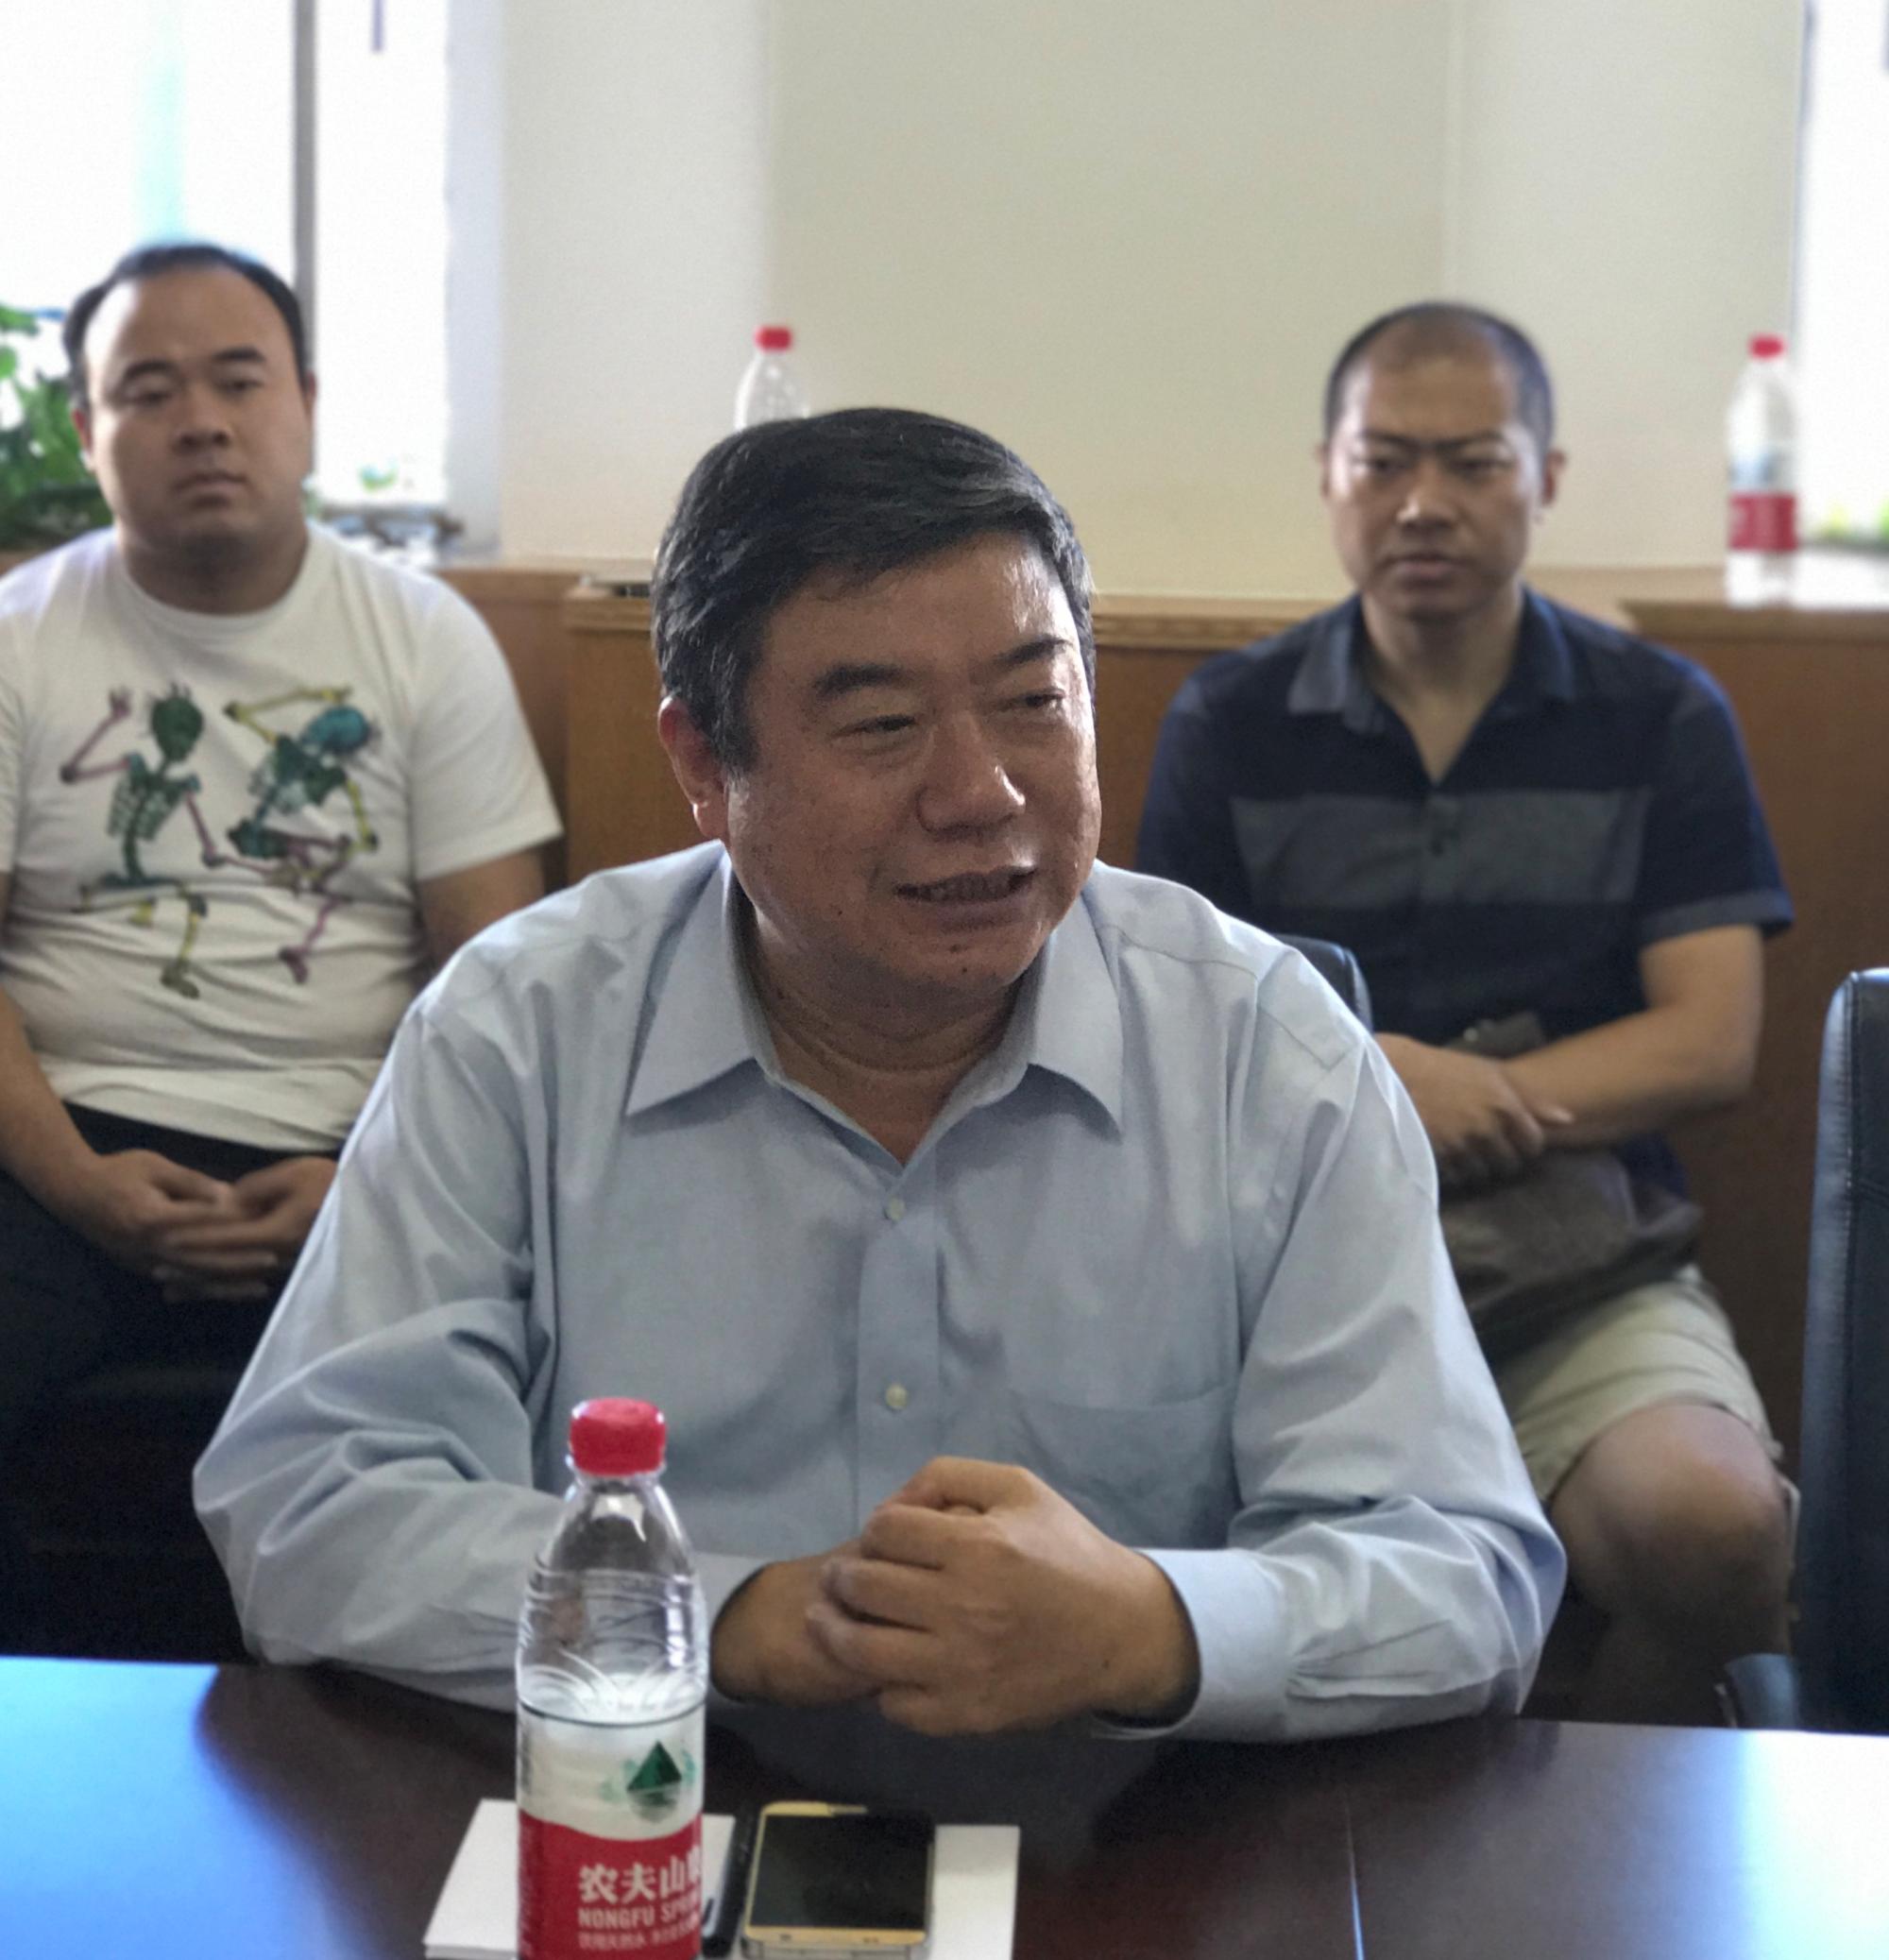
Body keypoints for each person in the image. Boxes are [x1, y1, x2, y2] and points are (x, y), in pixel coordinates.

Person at [197, 406, 1559, 1768]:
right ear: (703, 765)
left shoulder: (1266, 1051)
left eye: (1034, 702)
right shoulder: (519, 1032)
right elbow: (312, 1505)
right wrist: (730, 1617)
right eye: (884, 724)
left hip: (1144, 1834)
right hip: (645, 1808)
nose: (979, 794)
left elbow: (1461, 1568)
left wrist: (1149, 1628)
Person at [1137, 302, 1794, 1723]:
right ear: (1329, 475)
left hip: (1579, 1271)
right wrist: (1385, 1084)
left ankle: (1575, 1823)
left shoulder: (1660, 713)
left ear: (1544, 477)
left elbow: (1710, 1038)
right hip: (1288, 1273)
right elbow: (1171, 1023)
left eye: (1473, 462)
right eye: (1384, 462)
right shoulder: (1230, 720)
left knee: (1718, 1530)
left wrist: (1469, 1098)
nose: (1423, 502)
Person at [0, 243, 561, 1637]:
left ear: (305, 403)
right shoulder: (18, 641)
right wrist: (78, 1183)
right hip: (58, 1144)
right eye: (149, 390)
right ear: (88, 428)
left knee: (490, 1420)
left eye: (238, 381)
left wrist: (370, 1176)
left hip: (359, 1145)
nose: (200, 421)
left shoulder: (423, 639)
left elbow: (494, 981)